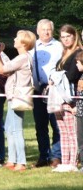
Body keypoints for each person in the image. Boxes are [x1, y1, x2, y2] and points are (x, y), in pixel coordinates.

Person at [0, 30, 36, 172]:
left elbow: (3, 69)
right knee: (10, 128)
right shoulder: (22, 57)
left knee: (16, 129)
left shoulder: (23, 57)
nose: (14, 39)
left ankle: (21, 162)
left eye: (17, 38)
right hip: (13, 96)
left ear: (23, 43)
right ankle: (12, 159)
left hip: (18, 96)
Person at [31, 19, 62, 167]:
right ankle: (43, 156)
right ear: (37, 31)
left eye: (48, 29)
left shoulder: (59, 46)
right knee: (40, 125)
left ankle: (56, 156)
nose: (46, 32)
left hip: (55, 90)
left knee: (56, 125)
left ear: (53, 30)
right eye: (43, 29)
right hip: (37, 91)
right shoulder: (32, 47)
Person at [51, 25, 83, 173]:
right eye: (63, 37)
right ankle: (64, 161)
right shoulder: (64, 53)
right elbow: (58, 72)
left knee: (72, 132)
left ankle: (72, 163)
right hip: (58, 98)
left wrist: (57, 76)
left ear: (74, 36)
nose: (65, 40)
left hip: (71, 98)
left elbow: (72, 76)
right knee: (62, 132)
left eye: (68, 36)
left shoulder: (78, 53)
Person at [74, 51, 83, 171]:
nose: (76, 65)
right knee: (80, 139)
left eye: (78, 63)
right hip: (80, 112)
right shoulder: (80, 77)